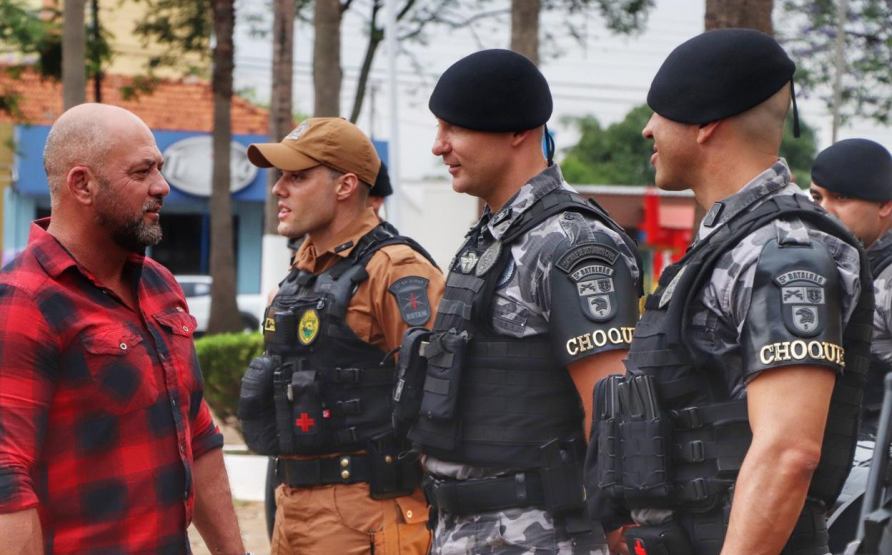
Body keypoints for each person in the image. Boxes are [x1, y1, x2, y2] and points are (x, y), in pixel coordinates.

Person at [585, 29, 874, 555]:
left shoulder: (785, 251)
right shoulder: (727, 245)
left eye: (660, 113)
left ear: (706, 124)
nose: (648, 130)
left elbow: (789, 452)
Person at [400, 49, 643, 555]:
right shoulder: (491, 237)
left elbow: (610, 409)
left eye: (454, 128)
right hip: (464, 529)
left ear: (516, 132)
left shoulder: (571, 242)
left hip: (541, 534)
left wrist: (618, 532)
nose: (438, 146)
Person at [0, 104, 247, 553]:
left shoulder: (159, 285)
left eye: (159, 169)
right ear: (81, 184)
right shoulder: (19, 302)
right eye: (142, 172)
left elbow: (197, 434)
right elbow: (2, 480)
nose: (161, 186)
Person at [241, 116, 444, 555]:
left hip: (367, 514)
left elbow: (440, 402)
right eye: (282, 177)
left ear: (346, 185)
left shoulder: (396, 270)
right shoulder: (304, 271)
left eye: (297, 177)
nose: (279, 189)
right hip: (293, 509)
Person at [810, 139, 892, 431]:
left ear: (884, 205)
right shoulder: (849, 263)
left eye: (841, 198)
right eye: (817, 197)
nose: (824, 210)